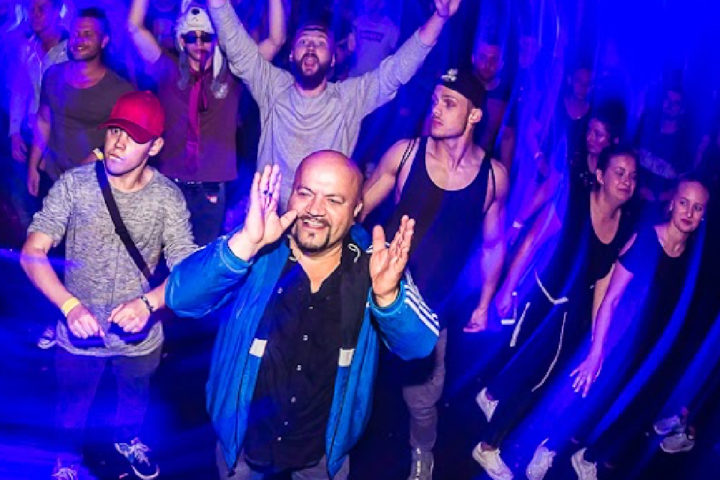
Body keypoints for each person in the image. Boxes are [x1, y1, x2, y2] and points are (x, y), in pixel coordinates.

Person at [165, 152, 439, 479]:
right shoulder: (257, 247)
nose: (314, 209)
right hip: (242, 445)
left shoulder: (373, 264)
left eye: (333, 200)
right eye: (305, 193)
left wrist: (388, 297)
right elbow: (180, 297)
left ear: (356, 210)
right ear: (291, 194)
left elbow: (420, 346)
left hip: (322, 454)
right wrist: (244, 245)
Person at [20, 91, 196, 480]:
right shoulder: (75, 184)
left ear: (155, 146)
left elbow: (188, 272)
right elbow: (32, 252)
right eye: (115, 130)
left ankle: (128, 440)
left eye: (133, 136)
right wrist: (70, 307)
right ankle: (67, 459)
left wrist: (149, 305)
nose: (117, 142)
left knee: (134, 400)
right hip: (79, 334)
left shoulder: (167, 198)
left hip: (140, 334)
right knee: (72, 406)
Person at [361, 68, 508, 479]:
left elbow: (493, 244)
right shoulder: (405, 154)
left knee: (423, 398)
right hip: (378, 295)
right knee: (354, 377)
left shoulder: (493, 177)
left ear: (474, 115)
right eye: (435, 101)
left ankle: (422, 455)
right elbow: (357, 210)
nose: (436, 110)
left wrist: (485, 302)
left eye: (449, 103)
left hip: (433, 310)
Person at [472, 146, 638, 480]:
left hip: (571, 314)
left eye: (633, 176)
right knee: (530, 375)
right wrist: (508, 288)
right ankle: (487, 446)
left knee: (538, 378)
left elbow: (603, 283)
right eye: (619, 173)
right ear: (601, 175)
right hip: (542, 300)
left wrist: (596, 338)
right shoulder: (575, 202)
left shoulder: (625, 225)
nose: (626, 181)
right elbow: (533, 241)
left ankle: (491, 404)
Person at [207, 0, 462, 207]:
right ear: (292, 54)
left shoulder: (349, 98)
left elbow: (397, 69)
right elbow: (237, 45)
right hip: (271, 214)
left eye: (320, 44)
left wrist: (439, 18)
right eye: (304, 42)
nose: (311, 47)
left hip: (321, 219)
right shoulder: (272, 86)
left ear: (332, 60)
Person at [568, 176, 710, 480]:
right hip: (620, 342)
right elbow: (611, 299)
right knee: (584, 404)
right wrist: (596, 350)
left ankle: (590, 457)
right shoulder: (647, 240)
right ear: (671, 204)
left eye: (697, 208)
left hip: (654, 351)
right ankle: (550, 451)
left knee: (632, 410)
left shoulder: (692, 258)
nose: (689, 212)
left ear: (703, 215)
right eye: (683, 203)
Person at [128, 0, 286, 245]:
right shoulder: (168, 69)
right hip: (169, 182)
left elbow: (276, 41)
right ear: (182, 41)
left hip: (211, 186)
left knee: (204, 257)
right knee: (165, 255)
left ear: (216, 40)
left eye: (206, 37)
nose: (200, 44)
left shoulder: (232, 74)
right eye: (192, 37)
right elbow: (135, 27)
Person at [27, 7, 134, 198]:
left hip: (93, 186)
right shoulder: (53, 75)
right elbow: (44, 121)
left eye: (87, 34)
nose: (79, 39)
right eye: (75, 34)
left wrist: (90, 162)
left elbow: (124, 143)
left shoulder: (121, 90)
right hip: (52, 178)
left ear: (104, 41)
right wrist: (33, 165)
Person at [6, 0, 68, 234]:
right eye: (31, 9)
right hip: (29, 132)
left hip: (59, 138)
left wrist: (48, 148)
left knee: (55, 202)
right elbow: (20, 91)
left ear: (57, 10)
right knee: (24, 196)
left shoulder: (72, 48)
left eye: (42, 8)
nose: (35, 14)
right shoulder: (27, 48)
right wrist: (14, 133)